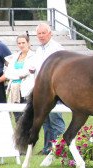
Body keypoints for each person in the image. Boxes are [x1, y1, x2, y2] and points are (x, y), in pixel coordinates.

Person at [34, 23, 66, 155]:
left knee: (55, 119)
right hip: (42, 89)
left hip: (54, 90)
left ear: (50, 34)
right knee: (45, 120)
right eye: (39, 34)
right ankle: (48, 148)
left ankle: (60, 148)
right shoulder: (38, 49)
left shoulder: (57, 49)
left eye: (43, 33)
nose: (41, 36)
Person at [4, 34, 35, 122]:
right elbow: (8, 73)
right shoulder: (15, 56)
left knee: (27, 118)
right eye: (19, 43)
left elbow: (28, 71)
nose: (21, 45)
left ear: (28, 43)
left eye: (23, 43)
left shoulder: (34, 56)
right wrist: (19, 74)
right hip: (14, 91)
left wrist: (16, 74)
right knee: (17, 118)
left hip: (27, 90)